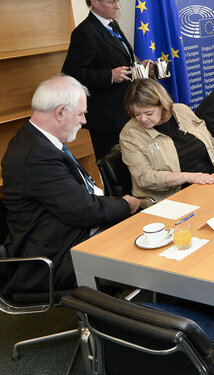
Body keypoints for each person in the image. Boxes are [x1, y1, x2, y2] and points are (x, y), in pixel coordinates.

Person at [1, 75, 139, 294]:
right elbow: (86, 211)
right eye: (81, 113)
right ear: (60, 113)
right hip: (54, 256)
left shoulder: (38, 141)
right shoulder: (36, 155)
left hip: (68, 234)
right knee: (143, 255)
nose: (84, 121)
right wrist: (126, 205)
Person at [62, 0, 151, 159]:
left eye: (118, 1)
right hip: (106, 117)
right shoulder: (84, 33)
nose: (118, 6)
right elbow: (71, 73)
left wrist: (137, 67)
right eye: (112, 2)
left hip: (124, 108)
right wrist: (108, 76)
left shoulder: (111, 24)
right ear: (94, 2)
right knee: (115, 169)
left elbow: (114, 60)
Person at [119, 79, 214, 206]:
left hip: (210, 183)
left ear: (163, 105)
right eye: (137, 114)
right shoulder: (130, 134)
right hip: (172, 199)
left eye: (149, 113)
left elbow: (211, 143)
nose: (143, 119)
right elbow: (144, 177)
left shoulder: (183, 111)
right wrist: (188, 177)